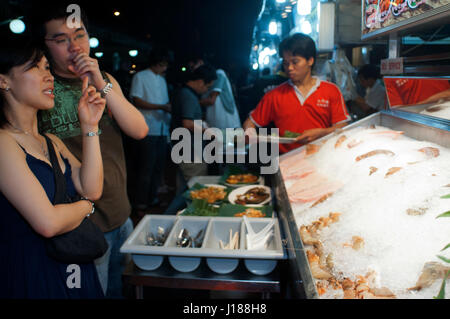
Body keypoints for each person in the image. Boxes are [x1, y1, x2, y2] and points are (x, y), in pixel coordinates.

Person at [32, 3, 148, 298]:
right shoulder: (39, 88)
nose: (74, 47)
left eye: (79, 35)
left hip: (120, 211)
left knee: (120, 290)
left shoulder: (105, 80)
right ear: (44, 45)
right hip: (79, 224)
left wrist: (101, 82)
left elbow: (139, 130)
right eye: (60, 40)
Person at [0, 38, 105, 298]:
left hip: (72, 263)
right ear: (4, 81)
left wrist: (90, 127)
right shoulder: (3, 142)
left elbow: (92, 188)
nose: (48, 77)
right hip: (33, 272)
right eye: (35, 67)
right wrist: (86, 208)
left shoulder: (52, 141)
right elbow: (47, 223)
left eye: (48, 67)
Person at [243, 33, 351, 154]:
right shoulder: (274, 95)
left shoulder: (331, 91)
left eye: (295, 62)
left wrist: (322, 133)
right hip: (285, 163)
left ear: (310, 60)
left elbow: (343, 127)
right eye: (285, 63)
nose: (289, 68)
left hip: (322, 159)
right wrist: (249, 132)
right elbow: (250, 122)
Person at [129, 47, 171, 214]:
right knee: (145, 167)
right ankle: (139, 203)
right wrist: (160, 107)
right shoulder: (140, 76)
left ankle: (152, 197)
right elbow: (137, 100)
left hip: (162, 128)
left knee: (158, 167)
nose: (164, 68)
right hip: (147, 127)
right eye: (162, 64)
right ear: (155, 62)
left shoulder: (162, 79)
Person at [171, 63, 217, 183]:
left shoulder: (183, 92)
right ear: (201, 82)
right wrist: (208, 131)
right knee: (197, 189)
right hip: (191, 152)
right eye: (208, 86)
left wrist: (203, 124)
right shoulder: (188, 96)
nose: (206, 90)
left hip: (183, 150)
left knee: (183, 189)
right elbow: (187, 123)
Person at [188, 58, 241, 129]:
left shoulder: (218, 74)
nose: (192, 70)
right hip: (213, 120)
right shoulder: (201, 79)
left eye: (192, 67)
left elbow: (211, 100)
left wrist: (191, 102)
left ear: (200, 62)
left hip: (226, 120)